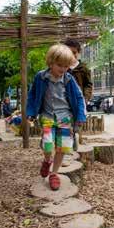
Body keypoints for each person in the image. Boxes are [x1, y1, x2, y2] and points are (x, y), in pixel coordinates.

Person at [26, 44, 86, 191]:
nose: (63, 69)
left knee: (62, 147)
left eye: (66, 66)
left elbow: (79, 97)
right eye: (60, 65)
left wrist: (80, 116)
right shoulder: (41, 77)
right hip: (47, 116)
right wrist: (31, 113)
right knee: (47, 144)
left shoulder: (69, 79)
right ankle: (47, 160)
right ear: (50, 62)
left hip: (65, 117)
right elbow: (32, 95)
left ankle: (54, 173)